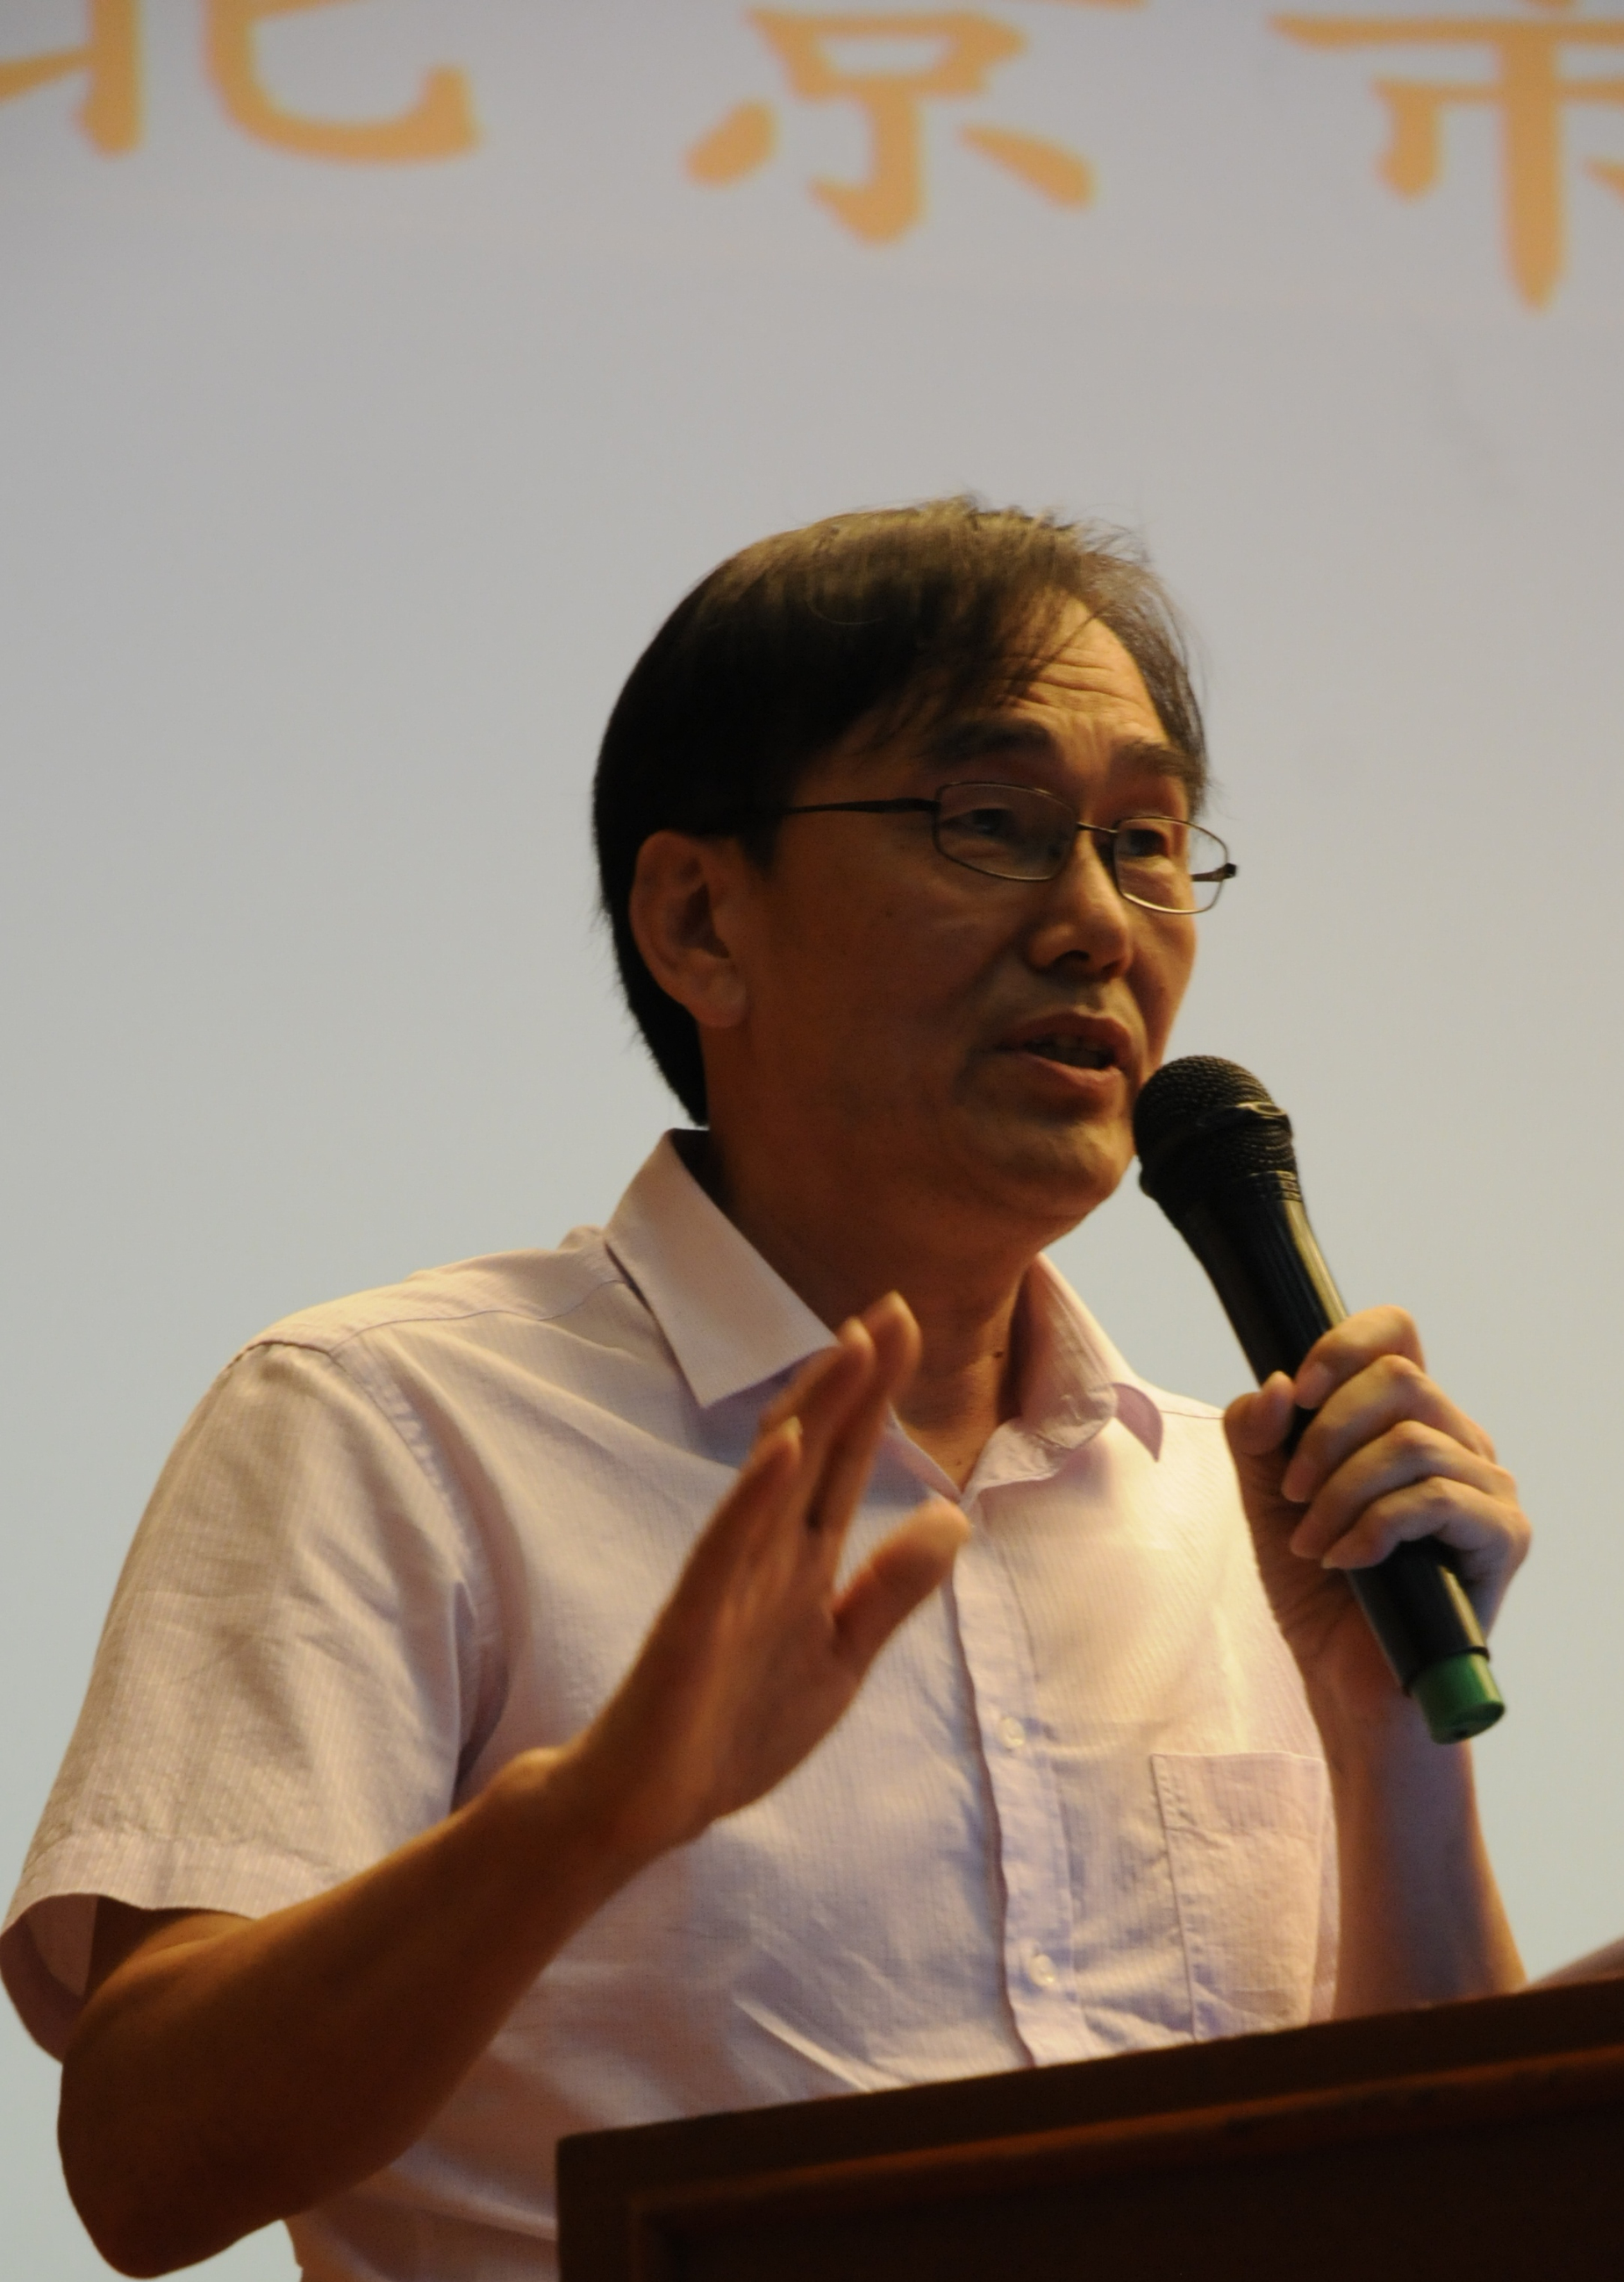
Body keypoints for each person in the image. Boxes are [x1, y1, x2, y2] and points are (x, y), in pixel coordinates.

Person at [3, 501, 1530, 2281]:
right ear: (700, 917)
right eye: (992, 822)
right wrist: (590, 1812)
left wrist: (1387, 1739)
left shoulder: (1259, 1521)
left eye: (1146, 842)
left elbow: (1478, 2207)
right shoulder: (387, 1421)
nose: (1096, 924)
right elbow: (146, 2160)